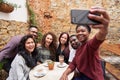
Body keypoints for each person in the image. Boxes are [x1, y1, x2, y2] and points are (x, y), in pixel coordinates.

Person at [60, 6, 110, 80]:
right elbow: (74, 63)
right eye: (78, 31)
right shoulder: (79, 48)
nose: (80, 33)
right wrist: (65, 73)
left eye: (83, 31)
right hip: (81, 75)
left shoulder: (90, 45)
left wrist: (104, 29)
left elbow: (98, 38)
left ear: (89, 32)